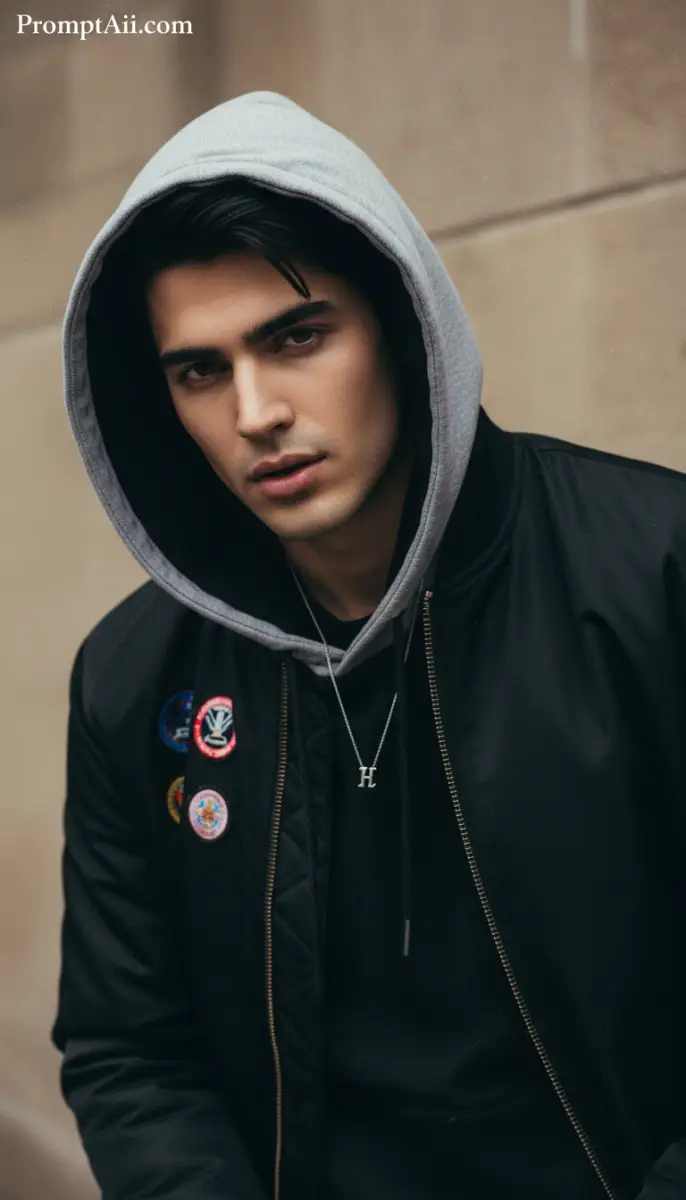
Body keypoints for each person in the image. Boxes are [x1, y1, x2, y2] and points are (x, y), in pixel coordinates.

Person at [52, 91, 686, 1200]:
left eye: (295, 337)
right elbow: (131, 1050)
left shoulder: (654, 573)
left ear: (399, 323)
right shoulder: (132, 677)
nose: (254, 411)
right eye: (200, 369)